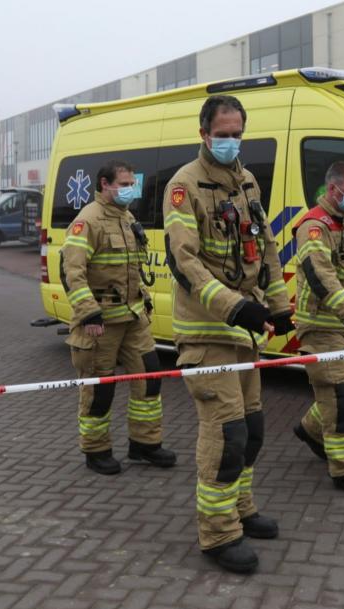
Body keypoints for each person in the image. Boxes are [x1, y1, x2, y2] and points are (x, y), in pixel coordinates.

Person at [162, 95, 293, 575]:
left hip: (244, 337)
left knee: (253, 432)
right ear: (203, 134)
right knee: (227, 434)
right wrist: (235, 306)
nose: (230, 141)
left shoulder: (247, 182)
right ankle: (217, 534)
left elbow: (267, 247)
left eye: (238, 133)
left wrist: (277, 305)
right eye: (222, 133)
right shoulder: (183, 186)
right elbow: (185, 261)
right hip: (206, 335)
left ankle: (241, 507)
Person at [60, 160, 176, 475]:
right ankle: (96, 450)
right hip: (101, 323)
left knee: (149, 377)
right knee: (100, 389)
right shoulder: (88, 221)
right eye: (124, 184)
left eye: (131, 183)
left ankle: (145, 445)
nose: (130, 189)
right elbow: (71, 272)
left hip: (133, 317)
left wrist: (145, 300)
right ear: (104, 184)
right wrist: (89, 314)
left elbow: (133, 269)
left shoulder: (127, 218)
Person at [292, 161, 344, 496]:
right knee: (339, 397)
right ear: (334, 189)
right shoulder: (314, 226)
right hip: (320, 325)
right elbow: (320, 276)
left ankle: (311, 429)